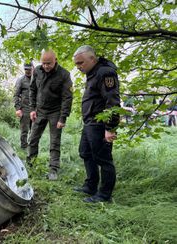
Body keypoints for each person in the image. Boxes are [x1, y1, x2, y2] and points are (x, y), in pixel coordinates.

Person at [73, 45, 120, 203]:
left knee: (103, 158)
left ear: (92, 59)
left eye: (81, 63)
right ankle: (90, 186)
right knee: (85, 152)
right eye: (76, 64)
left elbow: (112, 101)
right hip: (90, 122)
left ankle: (104, 195)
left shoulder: (105, 72)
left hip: (100, 124)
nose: (79, 67)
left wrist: (110, 128)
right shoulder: (92, 72)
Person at [27, 49, 73, 180]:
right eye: (44, 63)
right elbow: (32, 90)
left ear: (55, 61)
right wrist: (32, 109)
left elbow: (67, 98)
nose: (46, 66)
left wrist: (62, 118)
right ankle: (31, 164)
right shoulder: (37, 71)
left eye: (49, 63)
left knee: (54, 142)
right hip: (39, 111)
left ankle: (53, 169)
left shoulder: (64, 74)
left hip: (55, 112)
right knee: (33, 139)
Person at [14, 63, 34, 149]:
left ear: (33, 68)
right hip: (24, 109)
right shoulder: (20, 80)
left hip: (35, 109)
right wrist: (18, 109)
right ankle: (24, 148)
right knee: (24, 131)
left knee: (34, 131)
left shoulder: (37, 79)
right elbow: (16, 95)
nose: (27, 71)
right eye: (26, 69)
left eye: (29, 69)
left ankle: (32, 147)